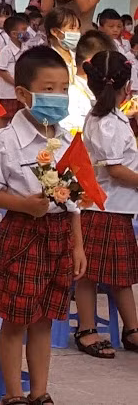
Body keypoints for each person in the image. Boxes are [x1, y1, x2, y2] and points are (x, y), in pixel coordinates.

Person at [0, 46, 85, 405]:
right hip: (23, 232)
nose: (58, 96)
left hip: (59, 234)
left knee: (45, 318)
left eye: (63, 88)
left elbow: (74, 199)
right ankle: (14, 394)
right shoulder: (6, 141)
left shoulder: (66, 139)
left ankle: (40, 392)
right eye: (49, 88)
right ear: (23, 94)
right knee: (17, 317)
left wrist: (78, 244)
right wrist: (23, 204)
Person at [80, 50, 138, 358]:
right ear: (125, 86)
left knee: (120, 274)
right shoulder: (108, 123)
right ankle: (87, 329)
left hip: (114, 206)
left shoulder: (109, 118)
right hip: (103, 206)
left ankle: (131, 329)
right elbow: (115, 169)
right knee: (90, 274)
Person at [0, 15, 30, 125]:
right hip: (8, 93)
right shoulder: (6, 51)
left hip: (21, 91)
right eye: (24, 30)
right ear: (14, 34)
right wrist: (15, 83)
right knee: (5, 117)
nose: (27, 32)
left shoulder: (26, 49)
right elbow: (1, 70)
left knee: (21, 117)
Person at [44, 7, 81, 83]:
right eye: (72, 28)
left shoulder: (79, 57)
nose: (77, 33)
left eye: (78, 29)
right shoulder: (46, 61)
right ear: (55, 31)